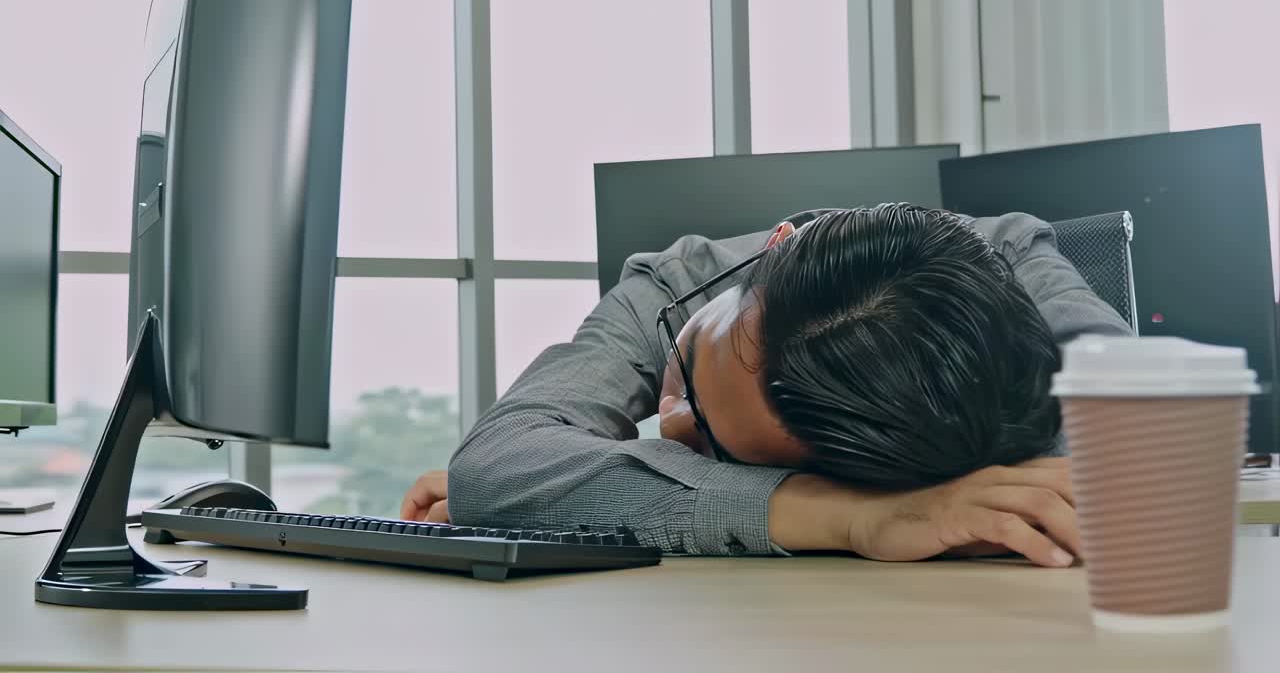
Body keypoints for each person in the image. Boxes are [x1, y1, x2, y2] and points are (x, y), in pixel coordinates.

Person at [401, 204, 1133, 567]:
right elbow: (495, 469)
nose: (668, 420)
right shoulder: (676, 285)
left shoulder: (1016, 270)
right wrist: (850, 517)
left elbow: (1131, 464)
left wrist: (591, 486)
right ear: (776, 247)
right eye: (688, 364)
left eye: (719, 445)